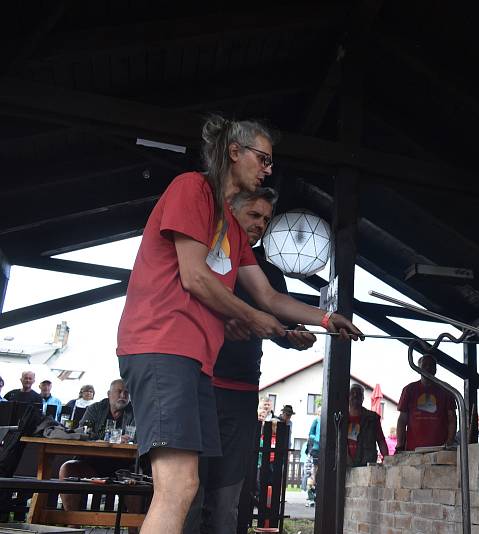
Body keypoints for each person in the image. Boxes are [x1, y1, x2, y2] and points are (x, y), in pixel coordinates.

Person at [116, 115, 363, 534]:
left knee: (188, 485)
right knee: (177, 488)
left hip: (197, 362)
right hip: (161, 345)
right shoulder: (193, 188)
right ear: (234, 152)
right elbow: (194, 276)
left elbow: (269, 296)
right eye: (263, 158)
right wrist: (253, 318)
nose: (268, 168)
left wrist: (325, 317)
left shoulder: (233, 229)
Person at [184, 187, 317, 534]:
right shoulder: (204, 256)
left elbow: (278, 322)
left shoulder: (268, 272)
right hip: (198, 386)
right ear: (231, 211)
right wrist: (222, 325)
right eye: (254, 216)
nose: (260, 225)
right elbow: (184, 307)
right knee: (187, 495)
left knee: (228, 499)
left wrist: (294, 336)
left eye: (266, 220)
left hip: (242, 393)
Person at [59, 379, 136, 511]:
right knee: (67, 469)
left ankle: (135, 529)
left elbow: (139, 437)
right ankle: (72, 525)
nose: (123, 396)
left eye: (126, 393)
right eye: (119, 392)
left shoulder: (136, 412)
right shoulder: (95, 408)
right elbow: (83, 432)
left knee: (138, 478)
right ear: (108, 394)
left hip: (124, 467)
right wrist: (112, 438)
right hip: (92, 464)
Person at [396, 355, 456, 452]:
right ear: (418, 368)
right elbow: (402, 420)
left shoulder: (446, 390)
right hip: (413, 450)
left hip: (440, 449)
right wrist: (400, 445)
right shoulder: (409, 390)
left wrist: (449, 443)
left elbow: (452, 418)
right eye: (425, 365)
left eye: (431, 365)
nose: (428, 368)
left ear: (436, 369)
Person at [346, 384, 388, 467]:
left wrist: (387, 459)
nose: (355, 396)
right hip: (345, 466)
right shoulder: (341, 418)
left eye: (358, 394)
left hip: (366, 465)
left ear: (363, 398)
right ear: (348, 397)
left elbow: (381, 440)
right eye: (352, 393)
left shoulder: (372, 418)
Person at [305, 408, 321, 506]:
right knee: (314, 472)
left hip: (325, 449)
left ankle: (318, 495)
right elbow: (311, 434)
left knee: (321, 473)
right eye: (319, 412)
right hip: (316, 449)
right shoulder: (316, 421)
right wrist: (318, 438)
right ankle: (311, 497)